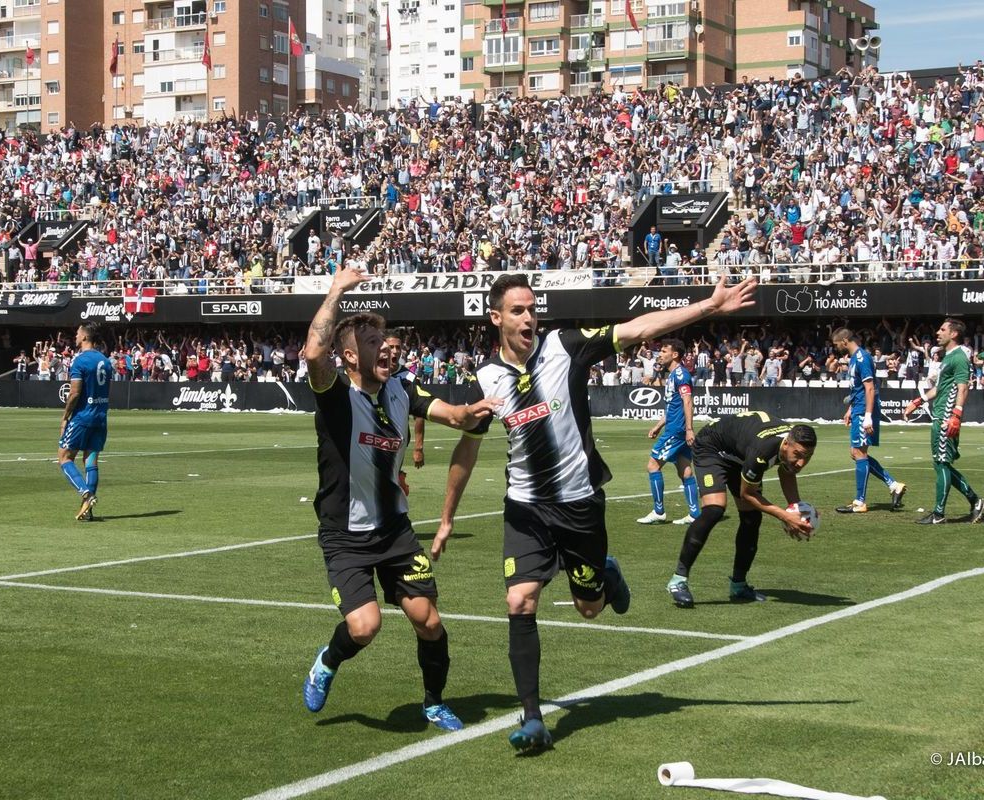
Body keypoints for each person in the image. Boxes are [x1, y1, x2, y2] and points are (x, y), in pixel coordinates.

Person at [434, 272, 756, 751]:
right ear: (496, 317)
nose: (529, 317)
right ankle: (533, 718)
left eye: (532, 308)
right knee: (519, 602)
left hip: (579, 505)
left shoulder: (565, 347)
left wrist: (708, 306)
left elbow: (638, 329)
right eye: (518, 310)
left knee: (588, 609)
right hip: (525, 508)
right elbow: (468, 449)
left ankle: (604, 572)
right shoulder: (486, 378)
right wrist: (446, 517)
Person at [299, 266, 500, 730]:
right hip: (345, 535)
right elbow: (313, 351)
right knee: (364, 628)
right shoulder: (333, 394)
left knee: (429, 622)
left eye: (384, 341)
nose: (385, 348)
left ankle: (433, 701)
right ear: (348, 356)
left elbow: (452, 414)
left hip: (394, 532)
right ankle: (327, 661)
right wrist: (336, 290)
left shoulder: (400, 389)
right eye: (372, 343)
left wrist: (474, 413)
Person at [666, 415, 817, 609]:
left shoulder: (787, 445)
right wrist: (785, 516)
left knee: (752, 518)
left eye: (807, 457)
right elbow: (747, 494)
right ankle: (678, 580)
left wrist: (796, 509)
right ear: (786, 443)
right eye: (798, 454)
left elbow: (786, 470)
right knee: (714, 509)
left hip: (739, 452)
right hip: (711, 446)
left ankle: (738, 585)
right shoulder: (763, 451)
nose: (801, 463)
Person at [903, 318, 984, 525]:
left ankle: (939, 514)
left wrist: (956, 415)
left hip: (946, 417)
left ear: (954, 334)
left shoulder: (959, 357)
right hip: (941, 414)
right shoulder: (947, 357)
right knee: (941, 463)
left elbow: (963, 387)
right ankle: (975, 501)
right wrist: (917, 401)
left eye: (942, 330)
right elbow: (940, 388)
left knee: (941, 463)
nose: (937, 333)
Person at [831, 328, 907, 514]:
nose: (836, 348)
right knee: (855, 452)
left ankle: (860, 501)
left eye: (837, 344)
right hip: (858, 409)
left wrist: (867, 416)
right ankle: (893, 485)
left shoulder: (862, 358)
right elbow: (858, 389)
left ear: (845, 340)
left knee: (859, 453)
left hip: (864, 411)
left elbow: (870, 388)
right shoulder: (854, 359)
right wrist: (850, 409)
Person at [637, 338, 701, 526]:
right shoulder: (673, 375)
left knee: (652, 466)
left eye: (664, 351)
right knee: (685, 471)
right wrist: (658, 425)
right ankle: (695, 513)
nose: (660, 355)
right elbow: (674, 406)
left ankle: (658, 511)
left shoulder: (681, 375)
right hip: (676, 427)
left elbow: (687, 401)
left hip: (677, 430)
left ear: (675, 355)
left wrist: (689, 429)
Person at [58, 322, 112, 521]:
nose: (75, 336)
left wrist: (65, 417)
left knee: (64, 458)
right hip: (100, 417)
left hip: (83, 417)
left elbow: (74, 393)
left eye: (77, 333)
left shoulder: (80, 361)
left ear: (85, 337)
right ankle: (88, 511)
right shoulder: (106, 361)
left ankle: (86, 493)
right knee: (90, 460)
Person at [385, 329, 427, 489]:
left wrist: (418, 448)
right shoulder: (371, 374)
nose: (395, 351)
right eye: (391, 347)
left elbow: (419, 415)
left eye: (398, 347)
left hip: (397, 440)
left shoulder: (409, 378)